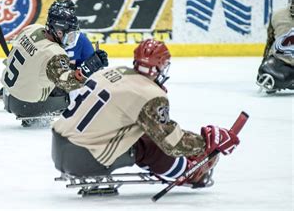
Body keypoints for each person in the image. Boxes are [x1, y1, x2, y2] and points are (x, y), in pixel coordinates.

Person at [52, 39, 240, 188]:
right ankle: (187, 172)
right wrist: (207, 143)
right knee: (148, 143)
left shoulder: (113, 72)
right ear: (160, 66)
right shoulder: (150, 94)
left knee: (139, 129)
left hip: (59, 147)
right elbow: (171, 144)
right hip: (84, 159)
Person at [0, 0, 107, 115]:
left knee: (32, 73)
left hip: (10, 95)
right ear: (58, 31)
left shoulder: (32, 29)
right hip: (30, 104)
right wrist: (86, 70)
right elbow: (68, 81)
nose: (72, 38)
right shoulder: (56, 52)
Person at [256, 0, 294, 93]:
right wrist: (264, 62)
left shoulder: (277, 15)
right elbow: (270, 40)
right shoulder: (278, 16)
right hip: (282, 63)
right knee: (266, 69)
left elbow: (270, 41)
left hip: (285, 65)